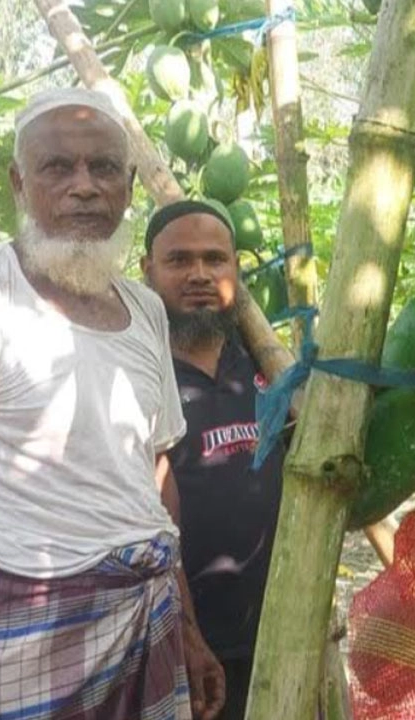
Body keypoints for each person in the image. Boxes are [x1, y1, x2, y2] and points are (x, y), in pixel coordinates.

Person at [0, 88, 224, 720]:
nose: (85, 187)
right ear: (19, 184)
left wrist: (184, 622)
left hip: (145, 624)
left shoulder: (145, 311)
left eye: (104, 168)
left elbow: (154, 481)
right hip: (15, 648)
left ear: (130, 185)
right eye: (58, 168)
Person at [142, 200, 284, 720]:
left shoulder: (269, 367)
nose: (199, 274)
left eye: (214, 259)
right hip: (180, 645)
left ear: (235, 269)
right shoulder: (136, 378)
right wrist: (183, 629)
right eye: (179, 261)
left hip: (280, 633)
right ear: (147, 271)